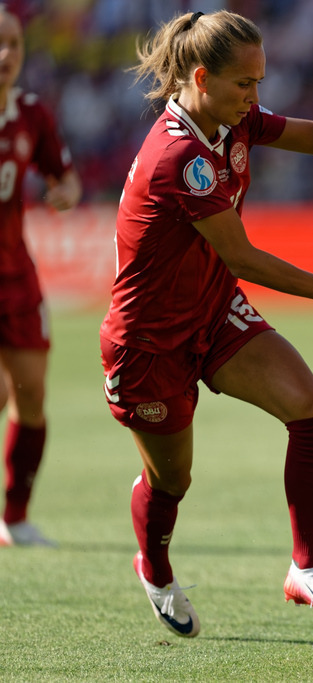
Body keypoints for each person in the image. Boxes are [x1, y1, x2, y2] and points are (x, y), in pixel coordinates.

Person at [100, 10, 313, 638]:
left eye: (259, 81)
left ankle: (308, 567)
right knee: (173, 480)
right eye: (245, 83)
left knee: (311, 410)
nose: (256, 96)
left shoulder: (231, 119)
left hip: (212, 313)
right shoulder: (178, 157)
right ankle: (155, 567)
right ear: (200, 78)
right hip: (147, 344)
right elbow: (241, 256)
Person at [0, 5, 82, 548]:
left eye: (15, 46)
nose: (7, 56)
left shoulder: (31, 112)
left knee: (30, 397)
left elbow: (66, 177)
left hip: (16, 277)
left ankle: (16, 517)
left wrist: (66, 194)